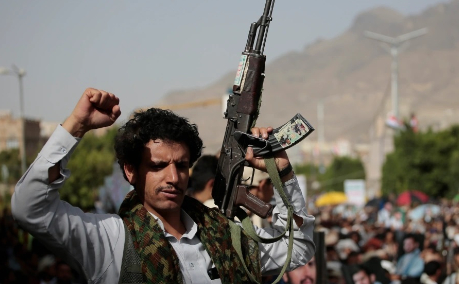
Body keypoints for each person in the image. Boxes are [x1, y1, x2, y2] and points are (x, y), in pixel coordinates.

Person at [11, 88, 315, 283]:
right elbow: (29, 208)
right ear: (131, 171)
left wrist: (283, 174)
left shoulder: (224, 236)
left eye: (181, 165)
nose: (173, 177)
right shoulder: (111, 240)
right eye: (158, 166)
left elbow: (298, 248)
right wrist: (75, 126)